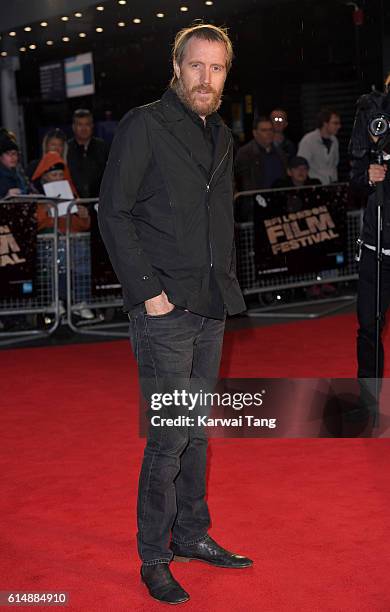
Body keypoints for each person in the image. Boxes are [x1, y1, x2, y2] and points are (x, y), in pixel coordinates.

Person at [98, 23, 253, 606]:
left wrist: (225, 287)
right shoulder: (146, 123)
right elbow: (113, 213)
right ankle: (154, 556)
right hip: (163, 308)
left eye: (216, 68)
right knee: (168, 437)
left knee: (197, 432)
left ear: (225, 74)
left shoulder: (221, 135)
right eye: (196, 66)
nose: (205, 78)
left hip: (210, 302)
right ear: (177, 66)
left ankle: (192, 534)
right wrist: (148, 293)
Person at [32, 151, 94, 320]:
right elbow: (34, 225)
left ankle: (80, 301)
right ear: (45, 177)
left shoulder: (72, 196)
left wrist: (83, 215)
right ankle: (58, 300)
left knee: (80, 252)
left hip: (72, 242)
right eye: (54, 174)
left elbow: (81, 227)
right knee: (60, 254)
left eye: (60, 174)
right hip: (49, 245)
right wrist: (45, 211)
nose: (58, 177)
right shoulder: (36, 198)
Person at [234, 115, 287, 191]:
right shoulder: (245, 153)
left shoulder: (280, 152)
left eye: (271, 130)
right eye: (264, 130)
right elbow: (242, 182)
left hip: (278, 197)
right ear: (255, 133)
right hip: (256, 198)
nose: (269, 133)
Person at [67, 109, 109, 198]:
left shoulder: (103, 147)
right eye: (80, 125)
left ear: (92, 126)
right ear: (73, 127)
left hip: (99, 201)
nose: (84, 129)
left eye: (87, 124)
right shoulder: (66, 149)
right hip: (74, 203)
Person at [297, 108, 341, 184]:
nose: (339, 126)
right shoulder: (308, 140)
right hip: (314, 185)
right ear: (325, 123)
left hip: (332, 184)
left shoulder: (334, 140)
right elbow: (301, 165)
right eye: (335, 123)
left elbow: (335, 163)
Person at [0, 133, 30, 198]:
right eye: (8, 154)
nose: (12, 157)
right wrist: (6, 197)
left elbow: (28, 190)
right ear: (1, 157)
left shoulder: (20, 174)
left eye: (14, 154)